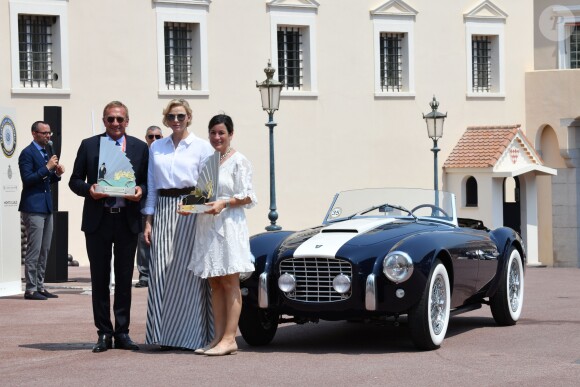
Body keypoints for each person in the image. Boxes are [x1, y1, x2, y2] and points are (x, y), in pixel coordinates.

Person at [69, 101, 149, 353]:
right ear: (104, 121)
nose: (115, 123)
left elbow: (147, 182)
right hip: (98, 220)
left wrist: (140, 191)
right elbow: (74, 180)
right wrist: (89, 190)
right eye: (111, 119)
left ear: (127, 121)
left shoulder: (139, 147)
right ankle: (104, 332)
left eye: (120, 119)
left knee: (125, 279)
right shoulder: (89, 145)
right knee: (100, 279)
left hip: (127, 220)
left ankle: (122, 332)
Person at [143, 99, 214, 350]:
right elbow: (151, 186)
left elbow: (207, 186)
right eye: (172, 116)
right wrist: (148, 220)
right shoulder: (156, 148)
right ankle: (164, 335)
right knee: (161, 272)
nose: (176, 121)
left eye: (181, 116)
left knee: (189, 273)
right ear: (166, 119)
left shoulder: (202, 147)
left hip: (190, 209)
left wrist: (192, 208)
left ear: (189, 118)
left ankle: (192, 336)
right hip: (163, 209)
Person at [188, 114, 256, 356]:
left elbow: (248, 196)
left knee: (230, 281)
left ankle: (230, 339)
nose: (217, 137)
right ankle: (217, 337)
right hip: (207, 227)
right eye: (213, 133)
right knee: (215, 282)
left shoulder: (240, 161)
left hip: (229, 226)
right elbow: (202, 194)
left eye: (221, 133)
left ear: (230, 134)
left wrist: (224, 203)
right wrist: (188, 207)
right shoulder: (208, 161)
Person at [19, 121, 66, 301]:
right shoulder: (27, 153)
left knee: (45, 249)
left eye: (49, 133)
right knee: (34, 249)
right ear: (34, 133)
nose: (48, 136)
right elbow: (28, 179)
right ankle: (30, 289)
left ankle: (40, 285)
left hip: (46, 206)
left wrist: (56, 174)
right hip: (33, 207)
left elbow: (45, 181)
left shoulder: (46, 152)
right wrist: (47, 168)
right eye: (44, 133)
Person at [134, 126, 163, 288]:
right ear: (146, 138)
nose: (154, 139)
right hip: (145, 201)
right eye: (151, 136)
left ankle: (160, 272)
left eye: (157, 137)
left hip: (166, 200)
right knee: (144, 239)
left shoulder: (165, 153)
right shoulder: (142, 154)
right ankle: (144, 274)